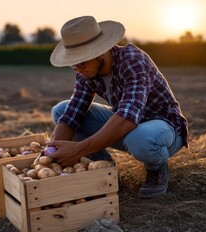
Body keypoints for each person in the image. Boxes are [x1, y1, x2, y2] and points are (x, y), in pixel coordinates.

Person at [47, 16, 188, 199]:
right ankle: (103, 167)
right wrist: (51, 156)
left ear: (100, 51)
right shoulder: (85, 72)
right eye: (73, 63)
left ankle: (157, 168)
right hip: (126, 125)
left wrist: (79, 149)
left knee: (141, 139)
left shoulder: (133, 61)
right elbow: (73, 113)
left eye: (82, 61)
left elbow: (127, 119)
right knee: (61, 111)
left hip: (163, 128)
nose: (78, 68)